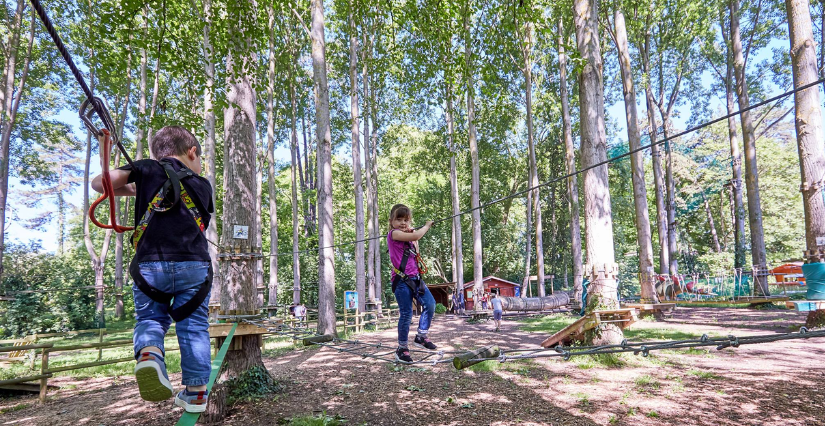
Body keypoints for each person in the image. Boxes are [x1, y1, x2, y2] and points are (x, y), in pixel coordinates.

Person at [91, 126, 214, 413]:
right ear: (192, 152)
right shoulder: (203, 184)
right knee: (194, 326)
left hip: (151, 267)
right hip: (194, 267)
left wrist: (138, 179)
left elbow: (101, 184)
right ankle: (196, 393)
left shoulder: (145, 168)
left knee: (150, 319)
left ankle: (149, 355)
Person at [387, 204, 437, 363]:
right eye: (399, 219)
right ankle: (402, 348)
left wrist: (413, 233)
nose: (403, 223)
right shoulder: (393, 234)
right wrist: (427, 226)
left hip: (415, 278)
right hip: (401, 281)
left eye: (406, 220)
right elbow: (417, 237)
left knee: (430, 304)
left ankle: (421, 336)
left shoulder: (409, 235)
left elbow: (416, 248)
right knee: (407, 313)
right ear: (391, 221)